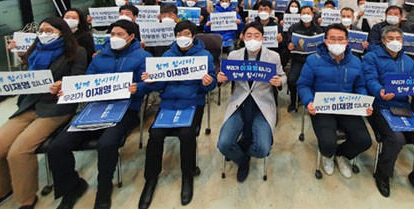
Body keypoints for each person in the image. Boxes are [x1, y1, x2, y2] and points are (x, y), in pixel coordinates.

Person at [47, 20, 150, 209]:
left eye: (120, 34)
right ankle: (72, 187)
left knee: (107, 144)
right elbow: (87, 81)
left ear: (131, 37)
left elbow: (149, 83)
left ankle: (104, 189)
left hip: (126, 108)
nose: (115, 38)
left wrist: (139, 87)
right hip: (95, 107)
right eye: (113, 34)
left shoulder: (143, 56)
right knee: (57, 147)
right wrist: (67, 88)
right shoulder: (100, 57)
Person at [0, 18, 87, 209]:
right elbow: (27, 75)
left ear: (61, 32)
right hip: (29, 105)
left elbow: (78, 78)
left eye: (49, 31)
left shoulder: (76, 52)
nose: (44, 34)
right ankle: (1, 190)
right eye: (41, 31)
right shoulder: (35, 51)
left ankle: (26, 198)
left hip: (55, 108)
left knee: (19, 151)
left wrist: (63, 84)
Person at [138, 21, 216, 208]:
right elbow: (160, 85)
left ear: (193, 36)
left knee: (187, 134)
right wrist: (151, 81)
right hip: (168, 103)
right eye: (179, 34)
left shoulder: (204, 56)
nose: (182, 37)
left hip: (192, 102)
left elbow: (211, 84)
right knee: (155, 134)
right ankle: (151, 178)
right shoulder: (167, 55)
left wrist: (207, 82)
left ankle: (187, 175)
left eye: (186, 33)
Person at [362, 26, 414, 208]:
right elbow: (370, 80)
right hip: (380, 106)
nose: (395, 42)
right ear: (383, 40)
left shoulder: (408, 61)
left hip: (403, 107)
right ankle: (383, 174)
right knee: (396, 139)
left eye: (399, 38)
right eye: (391, 38)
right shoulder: (372, 57)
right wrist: (379, 91)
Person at [297, 24, 372, 178]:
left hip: (347, 107)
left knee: (364, 141)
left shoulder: (356, 61)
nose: (336, 42)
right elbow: (303, 85)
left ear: (347, 41)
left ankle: (341, 155)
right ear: (325, 41)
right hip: (322, 108)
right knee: (327, 143)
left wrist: (364, 103)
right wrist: (309, 101)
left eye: (340, 39)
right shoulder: (313, 60)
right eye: (332, 39)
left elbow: (360, 86)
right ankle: (328, 155)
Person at [216, 22, 286, 182]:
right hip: (239, 103)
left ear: (263, 38)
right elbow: (226, 78)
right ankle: (242, 159)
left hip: (262, 104)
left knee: (262, 148)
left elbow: (283, 76)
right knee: (224, 144)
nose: (253, 39)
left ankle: (244, 150)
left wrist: (279, 82)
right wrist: (221, 79)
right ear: (242, 37)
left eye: (256, 36)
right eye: (249, 35)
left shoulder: (273, 56)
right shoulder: (234, 55)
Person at [286, 5, 324, 112]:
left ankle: (311, 101)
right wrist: (289, 45)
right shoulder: (294, 28)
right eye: (304, 13)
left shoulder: (318, 29)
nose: (306, 15)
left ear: (313, 15)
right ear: (300, 15)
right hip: (298, 59)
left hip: (313, 61)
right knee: (291, 80)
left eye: (308, 13)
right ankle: (294, 101)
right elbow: (287, 41)